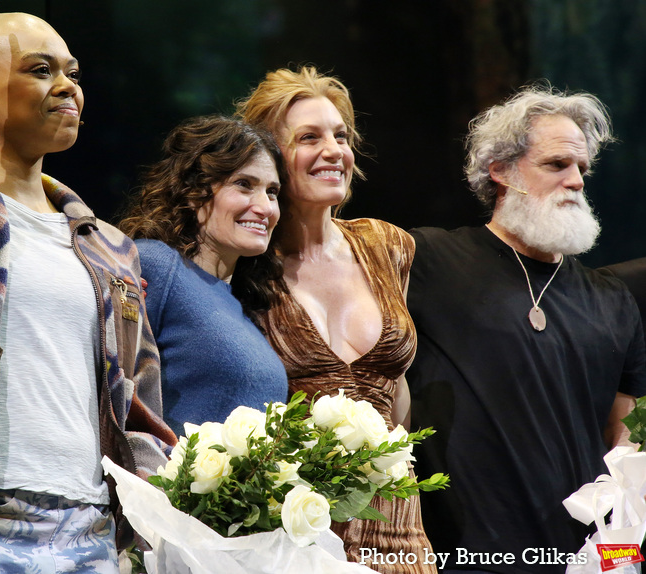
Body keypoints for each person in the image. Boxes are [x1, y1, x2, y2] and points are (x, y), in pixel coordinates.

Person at [0, 3, 176, 572]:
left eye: (72, 72)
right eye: (40, 69)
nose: (67, 87)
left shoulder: (110, 247)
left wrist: (151, 511)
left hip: (90, 530)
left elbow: (140, 407)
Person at [406, 85, 646, 573]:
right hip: (466, 558)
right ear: (501, 171)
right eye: (557, 165)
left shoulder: (614, 300)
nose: (576, 181)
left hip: (585, 559)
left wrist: (624, 558)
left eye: (582, 168)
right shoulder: (428, 260)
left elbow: (626, 450)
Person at [236, 66, 436, 574]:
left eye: (341, 136)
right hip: (293, 534)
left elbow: (396, 388)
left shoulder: (388, 246)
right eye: (309, 137)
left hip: (398, 529)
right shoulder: (245, 263)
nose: (334, 151)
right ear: (269, 156)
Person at [118, 115, 289, 433]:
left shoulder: (241, 304)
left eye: (273, 191)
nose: (265, 207)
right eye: (244, 185)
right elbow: (113, 388)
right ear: (194, 190)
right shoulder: (155, 264)